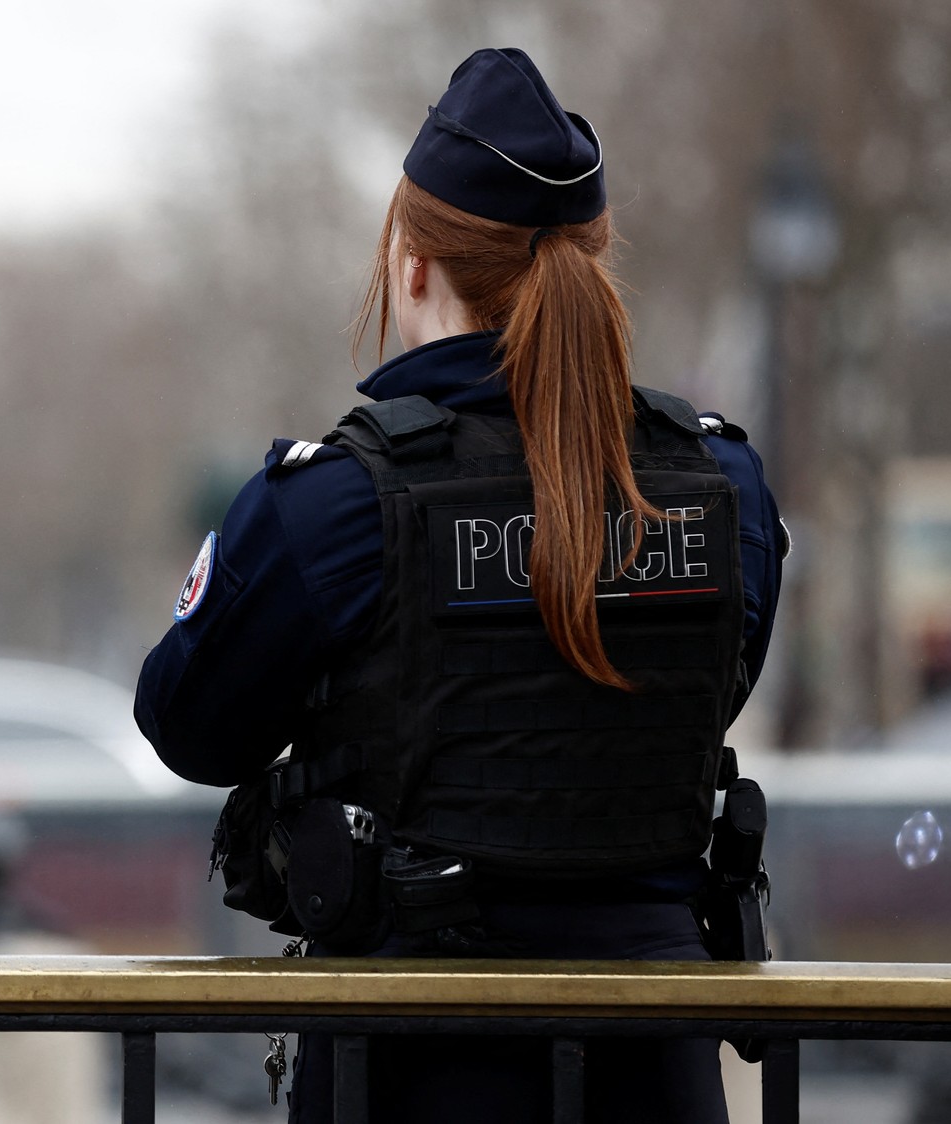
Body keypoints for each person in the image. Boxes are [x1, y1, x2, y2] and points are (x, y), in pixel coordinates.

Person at [134, 48, 783, 1124]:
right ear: (594, 262)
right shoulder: (723, 484)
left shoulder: (336, 501)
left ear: (412, 266)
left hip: (404, 1060)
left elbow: (187, 727)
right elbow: (717, 688)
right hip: (656, 1064)